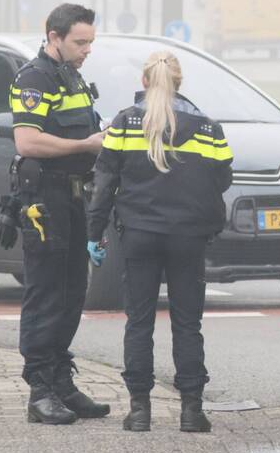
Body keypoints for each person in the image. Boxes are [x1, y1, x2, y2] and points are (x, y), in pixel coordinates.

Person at [87, 51, 233, 433]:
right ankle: (191, 412)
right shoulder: (207, 127)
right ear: (179, 82)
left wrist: (94, 233)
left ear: (144, 82)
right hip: (188, 237)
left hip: (139, 235)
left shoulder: (124, 123)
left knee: (139, 321)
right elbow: (223, 179)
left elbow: (104, 183)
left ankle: (139, 412)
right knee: (187, 323)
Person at [8, 3, 110, 425]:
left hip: (74, 196)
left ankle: (61, 381)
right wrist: (86, 144)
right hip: (45, 200)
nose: (87, 50)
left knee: (72, 292)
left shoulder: (73, 76)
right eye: (80, 42)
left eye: (90, 42)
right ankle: (40, 390)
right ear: (54, 37)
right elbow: (27, 142)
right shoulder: (35, 78)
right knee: (46, 292)